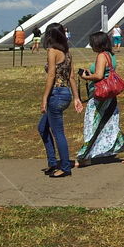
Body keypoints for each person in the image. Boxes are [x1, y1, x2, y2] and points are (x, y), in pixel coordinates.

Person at [76, 31, 124, 166]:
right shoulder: (111, 55)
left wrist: (85, 77)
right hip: (109, 95)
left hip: (100, 96)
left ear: (98, 43)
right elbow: (105, 73)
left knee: (92, 124)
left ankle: (84, 157)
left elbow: (99, 76)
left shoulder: (101, 56)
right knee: (108, 125)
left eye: (93, 43)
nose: (91, 46)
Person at [38, 23, 83, 178]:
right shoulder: (68, 53)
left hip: (55, 94)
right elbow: (71, 76)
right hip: (65, 94)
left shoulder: (52, 51)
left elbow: (51, 75)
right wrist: (76, 97)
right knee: (42, 127)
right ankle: (53, 162)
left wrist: (44, 98)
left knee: (58, 132)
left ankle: (64, 167)